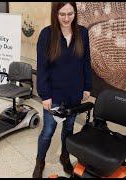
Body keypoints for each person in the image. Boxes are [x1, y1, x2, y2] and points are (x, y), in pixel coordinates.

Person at [32, 2, 92, 178]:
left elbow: (86, 62)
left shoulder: (83, 33)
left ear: (75, 13)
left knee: (69, 129)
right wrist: (45, 95)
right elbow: (42, 67)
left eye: (70, 14)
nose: (67, 18)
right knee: (48, 131)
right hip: (53, 94)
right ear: (55, 14)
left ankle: (65, 157)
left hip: (74, 93)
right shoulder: (46, 35)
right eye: (62, 14)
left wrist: (87, 86)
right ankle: (40, 161)